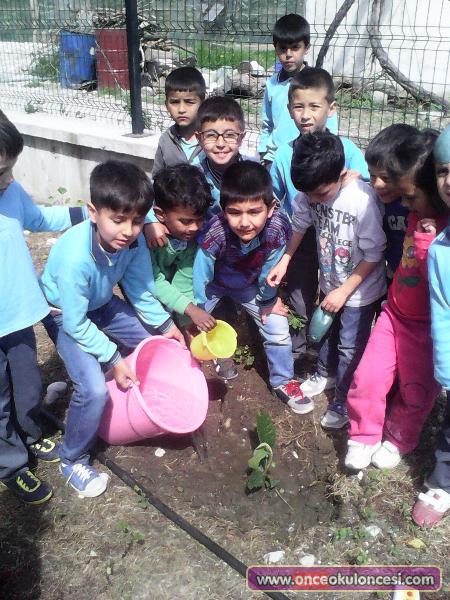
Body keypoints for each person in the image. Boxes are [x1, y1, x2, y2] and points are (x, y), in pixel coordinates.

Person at [40, 160, 185, 498]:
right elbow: (76, 323)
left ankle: (130, 396)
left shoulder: (133, 243)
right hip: (64, 315)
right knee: (93, 390)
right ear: (93, 212)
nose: (128, 231)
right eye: (118, 220)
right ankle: (71, 458)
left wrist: (166, 326)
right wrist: (113, 357)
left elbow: (140, 288)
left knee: (153, 345)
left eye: (136, 221)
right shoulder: (75, 259)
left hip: (102, 304)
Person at [344, 129, 449, 471]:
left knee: (417, 390)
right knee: (368, 376)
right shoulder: (418, 212)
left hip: (428, 331)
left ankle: (400, 437)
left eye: (409, 197)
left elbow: (439, 282)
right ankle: (363, 434)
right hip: (394, 315)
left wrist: (427, 244)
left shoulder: (443, 232)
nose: (404, 205)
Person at [267, 131, 386, 428]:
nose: (313, 200)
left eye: (320, 194)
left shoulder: (362, 201)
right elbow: (300, 224)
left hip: (359, 292)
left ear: (341, 174)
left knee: (349, 347)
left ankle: (343, 400)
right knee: (328, 333)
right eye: (308, 194)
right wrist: (285, 259)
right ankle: (325, 374)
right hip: (331, 281)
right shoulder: (311, 191)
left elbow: (374, 253)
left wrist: (344, 292)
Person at [0, 111, 85, 504]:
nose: (8, 179)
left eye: (10, 168)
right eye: (0, 172)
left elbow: (39, 218)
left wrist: (86, 212)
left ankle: (32, 433)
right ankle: (12, 465)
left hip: (17, 317)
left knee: (28, 386)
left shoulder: (11, 193)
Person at [193, 160, 313, 414]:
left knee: (277, 327)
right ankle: (190, 374)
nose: (244, 222)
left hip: (248, 285)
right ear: (223, 210)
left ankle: (283, 381)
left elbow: (270, 270)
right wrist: (198, 308)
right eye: (235, 212)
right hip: (213, 285)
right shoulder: (216, 232)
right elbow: (201, 273)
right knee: (191, 328)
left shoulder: (278, 228)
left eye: (254, 212)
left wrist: (268, 300)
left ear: (270, 209)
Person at [270, 67, 369, 361]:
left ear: (331, 108)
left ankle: (331, 352)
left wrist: (356, 177)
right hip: (301, 234)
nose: (305, 115)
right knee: (300, 293)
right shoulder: (283, 154)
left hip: (339, 235)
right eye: (298, 107)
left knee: (335, 293)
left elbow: (366, 184)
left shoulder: (346, 150)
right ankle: (300, 351)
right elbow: (274, 197)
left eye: (314, 106)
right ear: (289, 109)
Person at [412, 125, 450, 526]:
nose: (449, 181)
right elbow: (443, 312)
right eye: (443, 170)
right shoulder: (441, 246)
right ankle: (443, 482)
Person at [258, 14, 338, 166]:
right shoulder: (272, 84)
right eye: (282, 49)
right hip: (275, 159)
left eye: (295, 48)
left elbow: (330, 124)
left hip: (309, 158)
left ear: (306, 48)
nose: (288, 55)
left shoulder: (317, 84)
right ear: (275, 48)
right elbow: (267, 124)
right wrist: (264, 153)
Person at [150, 164, 216, 335]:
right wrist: (191, 310)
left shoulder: (191, 238)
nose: (194, 228)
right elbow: (152, 281)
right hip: (142, 291)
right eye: (186, 221)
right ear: (160, 214)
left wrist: (188, 322)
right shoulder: (147, 238)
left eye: (200, 219)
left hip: (164, 289)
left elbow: (184, 280)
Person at [365, 124, 418, 283]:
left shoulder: (418, 204)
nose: (377, 184)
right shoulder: (374, 200)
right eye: (372, 175)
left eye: (386, 178)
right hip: (393, 273)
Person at [196, 96, 256, 216]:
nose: (220, 144)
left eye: (229, 135)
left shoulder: (255, 172)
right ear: (199, 138)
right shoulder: (194, 178)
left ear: (241, 138)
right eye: (211, 135)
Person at [151, 67, 206, 177]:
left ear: (203, 103)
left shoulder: (212, 138)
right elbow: (157, 177)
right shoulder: (166, 140)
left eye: (189, 102)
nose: (181, 110)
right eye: (174, 102)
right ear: (166, 105)